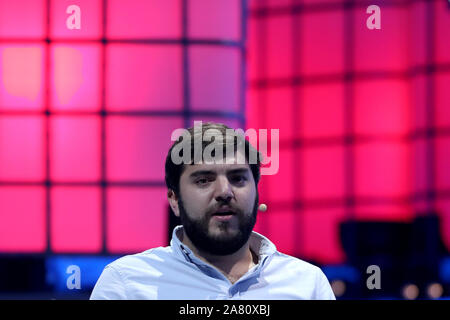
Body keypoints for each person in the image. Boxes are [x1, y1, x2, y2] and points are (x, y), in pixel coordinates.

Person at [90, 122, 335, 300]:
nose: (224, 192)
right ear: (174, 199)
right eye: (204, 180)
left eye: (238, 178)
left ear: (256, 191)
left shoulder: (307, 284)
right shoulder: (126, 283)